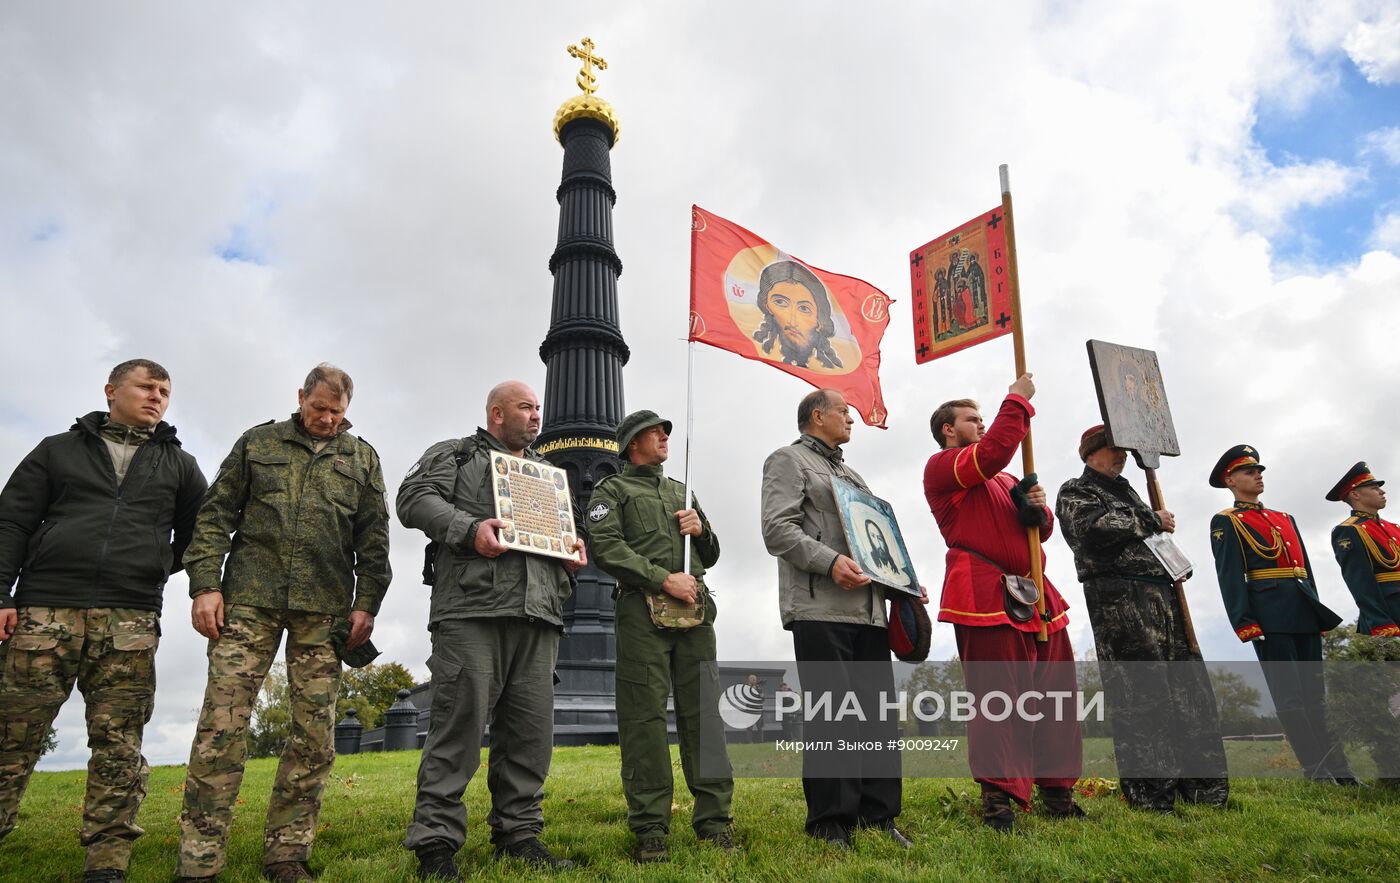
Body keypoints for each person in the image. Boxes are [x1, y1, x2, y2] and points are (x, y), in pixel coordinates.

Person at [175, 363, 391, 883]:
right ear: (301, 398)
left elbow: (374, 538)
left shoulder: (360, 458)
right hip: (249, 601)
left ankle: (287, 855)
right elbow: (215, 517)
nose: (327, 420)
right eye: (319, 409)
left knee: (314, 736)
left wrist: (368, 605)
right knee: (221, 729)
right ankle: (199, 863)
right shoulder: (257, 442)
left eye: (338, 413)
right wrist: (205, 585)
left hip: (325, 610)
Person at [0, 359, 206, 883]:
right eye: (146, 387)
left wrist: (155, 565)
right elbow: (12, 521)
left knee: (119, 744)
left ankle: (107, 862)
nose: (156, 397)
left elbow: (201, 535)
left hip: (130, 618)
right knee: (12, 736)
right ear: (113, 390)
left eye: (164, 391)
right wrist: (1, 594)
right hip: (44, 611)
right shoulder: (56, 450)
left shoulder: (179, 465)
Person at [397, 381, 586, 880]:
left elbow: (560, 535)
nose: (536, 415)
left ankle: (519, 835)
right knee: (457, 729)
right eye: (526, 407)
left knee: (530, 735)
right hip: (472, 613)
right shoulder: (457, 455)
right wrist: (467, 528)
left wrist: (572, 552)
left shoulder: (548, 474)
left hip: (539, 616)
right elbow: (413, 497)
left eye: (538, 408)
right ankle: (436, 844)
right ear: (497, 413)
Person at [923, 375, 1083, 832]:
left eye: (984, 418)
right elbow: (993, 451)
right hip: (984, 590)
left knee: (1057, 694)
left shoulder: (1006, 478)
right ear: (948, 430)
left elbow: (1036, 531)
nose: (982, 424)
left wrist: (1040, 511)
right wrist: (1017, 401)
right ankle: (998, 800)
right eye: (973, 419)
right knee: (1000, 699)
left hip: (1037, 591)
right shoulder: (944, 466)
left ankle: (1057, 791)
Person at [760, 388, 911, 849]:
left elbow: (875, 541)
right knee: (834, 719)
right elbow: (777, 529)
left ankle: (879, 815)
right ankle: (831, 822)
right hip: (820, 607)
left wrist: (902, 582)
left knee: (878, 718)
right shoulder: (786, 460)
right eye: (845, 411)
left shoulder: (854, 475)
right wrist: (829, 562)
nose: (852, 417)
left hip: (870, 611)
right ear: (817, 415)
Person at [586, 409, 735, 863]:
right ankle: (651, 826)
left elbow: (711, 551)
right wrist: (661, 578)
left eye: (665, 432)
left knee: (704, 715)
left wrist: (701, 529)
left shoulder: (681, 491)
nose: (664, 438)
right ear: (633, 443)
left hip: (694, 613)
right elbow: (606, 546)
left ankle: (714, 821)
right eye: (655, 433)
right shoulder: (611, 491)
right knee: (643, 718)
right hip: (641, 611)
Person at [1055, 425, 1228, 812]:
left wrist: (1173, 558)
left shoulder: (1130, 490)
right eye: (1112, 448)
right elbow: (1092, 529)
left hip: (1163, 595)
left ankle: (1203, 787)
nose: (1120, 455)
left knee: (1187, 690)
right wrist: (1150, 518)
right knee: (1142, 693)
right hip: (1120, 599)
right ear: (1090, 454)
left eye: (1123, 449)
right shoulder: (1076, 490)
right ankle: (1152, 793)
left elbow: (1149, 536)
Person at [1208, 445, 1356, 786]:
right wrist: (1244, 622)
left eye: (1259, 470)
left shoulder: (1285, 518)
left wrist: (1316, 612)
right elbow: (1229, 575)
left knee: (1317, 695)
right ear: (1230, 480)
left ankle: (1341, 770)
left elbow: (1305, 570)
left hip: (1303, 611)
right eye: (1249, 471)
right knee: (1290, 696)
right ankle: (1316, 770)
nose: (1258, 475)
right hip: (1269, 617)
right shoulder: (1226, 522)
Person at [1328, 462, 1400, 638]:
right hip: (1390, 613)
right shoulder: (1348, 530)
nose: (1382, 492)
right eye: (1374, 488)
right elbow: (1359, 581)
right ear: (1355, 494)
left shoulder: (1395, 528)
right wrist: (1381, 622)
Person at [753, 260, 843, 370]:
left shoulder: (832, 372)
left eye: (804, 309)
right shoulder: (756, 351)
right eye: (780, 302)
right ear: (767, 306)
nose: (792, 322)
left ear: (819, 320)